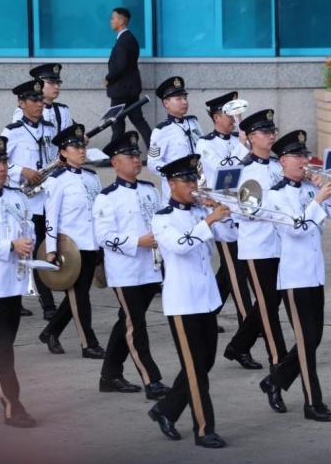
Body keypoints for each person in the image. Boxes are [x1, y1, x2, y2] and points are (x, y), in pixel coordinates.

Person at [148, 153, 230, 448]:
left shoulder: (200, 213)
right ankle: (204, 429)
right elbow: (179, 246)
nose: (194, 184)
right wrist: (208, 219)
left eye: (195, 178)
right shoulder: (162, 218)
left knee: (204, 363)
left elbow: (229, 237)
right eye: (187, 180)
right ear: (172, 184)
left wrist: (223, 210)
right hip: (182, 303)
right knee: (196, 370)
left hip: (206, 300)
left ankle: (165, 410)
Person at [264, 130, 331, 422]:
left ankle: (276, 380)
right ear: (283, 161)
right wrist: (317, 200)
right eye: (297, 156)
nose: (304, 160)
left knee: (314, 339)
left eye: (305, 155)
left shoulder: (312, 188)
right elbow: (294, 229)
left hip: (315, 274)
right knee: (307, 342)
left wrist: (326, 192)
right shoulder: (274, 195)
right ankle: (313, 403)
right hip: (294, 278)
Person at [93, 131, 171, 400]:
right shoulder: (107, 197)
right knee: (135, 325)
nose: (136, 160)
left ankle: (109, 375)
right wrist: (136, 241)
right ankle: (152, 380)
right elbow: (102, 236)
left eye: (138, 155)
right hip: (125, 272)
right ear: (115, 163)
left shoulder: (150, 190)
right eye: (130, 156)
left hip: (150, 269)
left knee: (126, 323)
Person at [227, 109, 290, 386]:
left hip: (282, 244)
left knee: (272, 300)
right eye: (266, 132)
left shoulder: (279, 166)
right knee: (268, 305)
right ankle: (279, 359)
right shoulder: (240, 170)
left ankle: (238, 345)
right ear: (251, 138)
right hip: (257, 246)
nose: (272, 135)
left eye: (273, 131)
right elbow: (234, 209)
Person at [195, 92, 257, 346]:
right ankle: (248, 324)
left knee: (232, 270)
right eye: (229, 114)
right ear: (216, 116)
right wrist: (243, 145)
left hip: (244, 209)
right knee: (237, 271)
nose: (235, 119)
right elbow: (224, 169)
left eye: (236, 114)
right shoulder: (204, 144)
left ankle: (208, 316)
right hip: (222, 212)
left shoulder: (239, 138)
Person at [39, 124, 105, 359]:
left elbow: (99, 212)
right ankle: (89, 344)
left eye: (82, 145)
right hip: (71, 249)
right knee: (80, 297)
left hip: (92, 245)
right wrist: (51, 250)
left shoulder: (92, 177)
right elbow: (51, 217)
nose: (80, 150)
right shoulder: (57, 180)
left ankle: (51, 331)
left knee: (77, 296)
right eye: (74, 147)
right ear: (63, 152)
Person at [3, 79, 58, 321]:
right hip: (25, 202)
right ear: (21, 103)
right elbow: (2, 161)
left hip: (48, 198)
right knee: (34, 251)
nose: (39, 104)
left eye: (40, 99)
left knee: (49, 248)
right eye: (33, 100)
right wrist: (21, 171)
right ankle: (48, 304)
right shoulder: (11, 132)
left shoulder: (49, 128)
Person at [0, 136, 38, 428]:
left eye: (2, 162)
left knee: (5, 344)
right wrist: (9, 246)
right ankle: (13, 406)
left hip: (12, 284)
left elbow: (29, 227)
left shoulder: (15, 196)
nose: (1, 168)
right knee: (2, 350)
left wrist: (28, 243)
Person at [147, 76, 203, 202]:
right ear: (166, 103)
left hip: (198, 185)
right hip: (175, 191)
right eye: (178, 99)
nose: (184, 102)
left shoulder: (193, 122)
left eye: (185, 98)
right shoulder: (162, 131)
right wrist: (174, 173)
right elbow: (153, 163)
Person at [106, 7, 152, 148]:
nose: (111, 21)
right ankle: (155, 150)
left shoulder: (124, 40)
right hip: (130, 88)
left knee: (116, 122)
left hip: (122, 89)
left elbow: (121, 65)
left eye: (113, 18)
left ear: (121, 21)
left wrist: (109, 78)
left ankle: (113, 153)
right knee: (137, 119)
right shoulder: (129, 38)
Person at [12, 63, 75, 135]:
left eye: (58, 83)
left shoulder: (63, 110)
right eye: (51, 82)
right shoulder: (24, 110)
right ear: (39, 85)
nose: (57, 87)